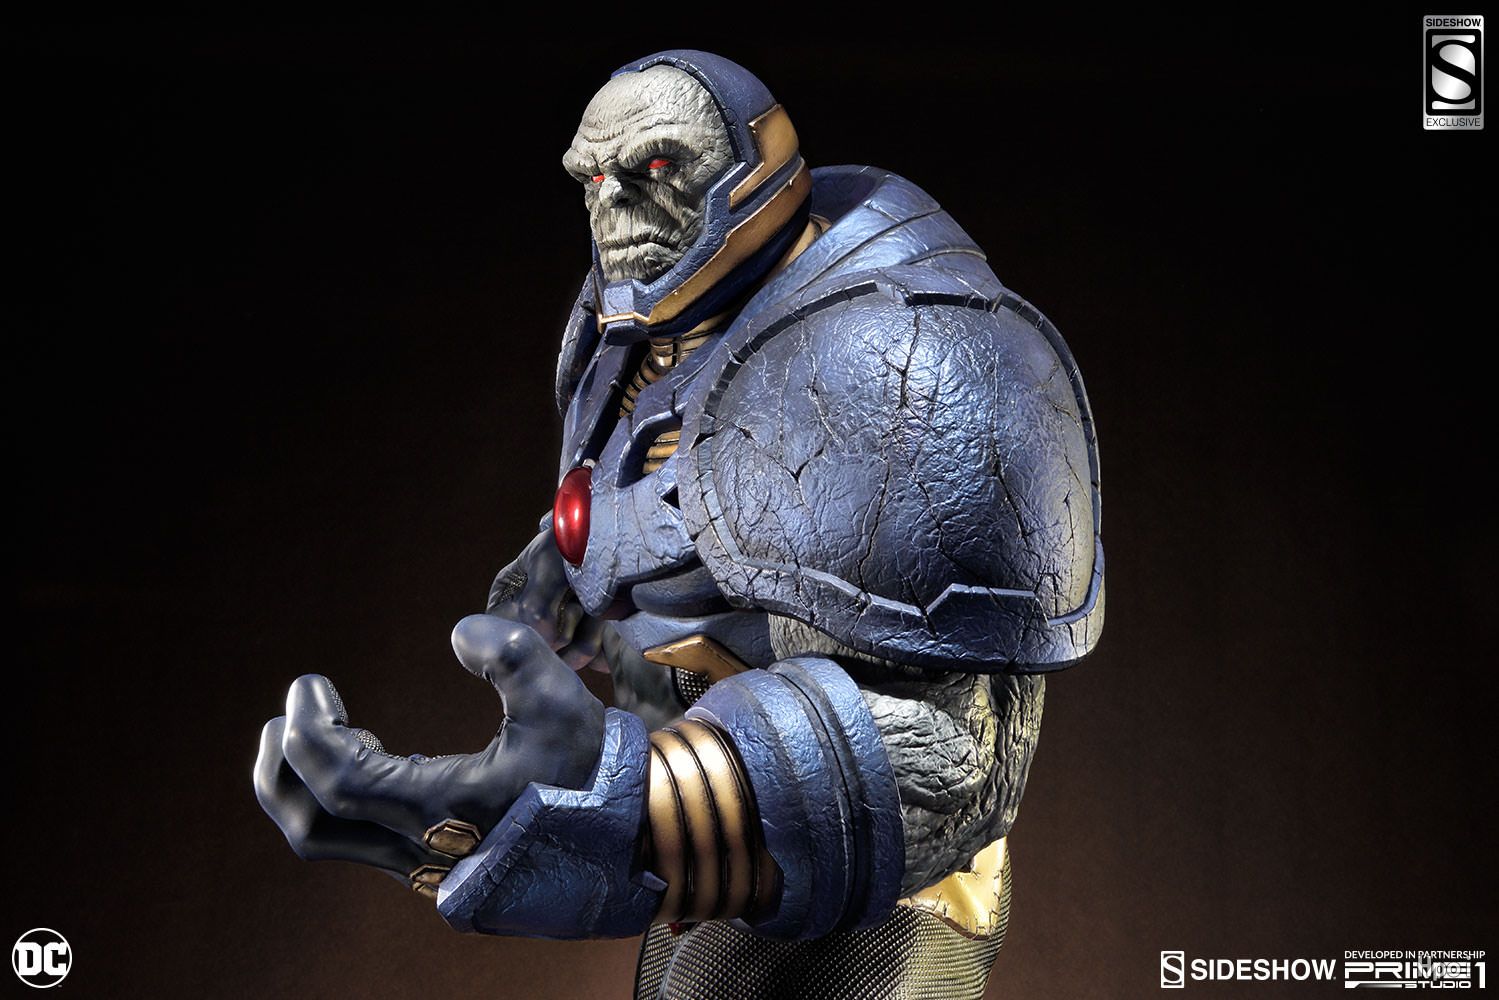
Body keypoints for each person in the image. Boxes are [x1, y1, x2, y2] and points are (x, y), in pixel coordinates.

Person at [254, 49, 1104, 999]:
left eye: (655, 169)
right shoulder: (628, 328)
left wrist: (617, 803)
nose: (613, 210)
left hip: (875, 894)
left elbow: (953, 758)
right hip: (708, 845)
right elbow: (663, 503)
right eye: (591, 180)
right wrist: (551, 628)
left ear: (754, 170)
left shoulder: (912, 351)